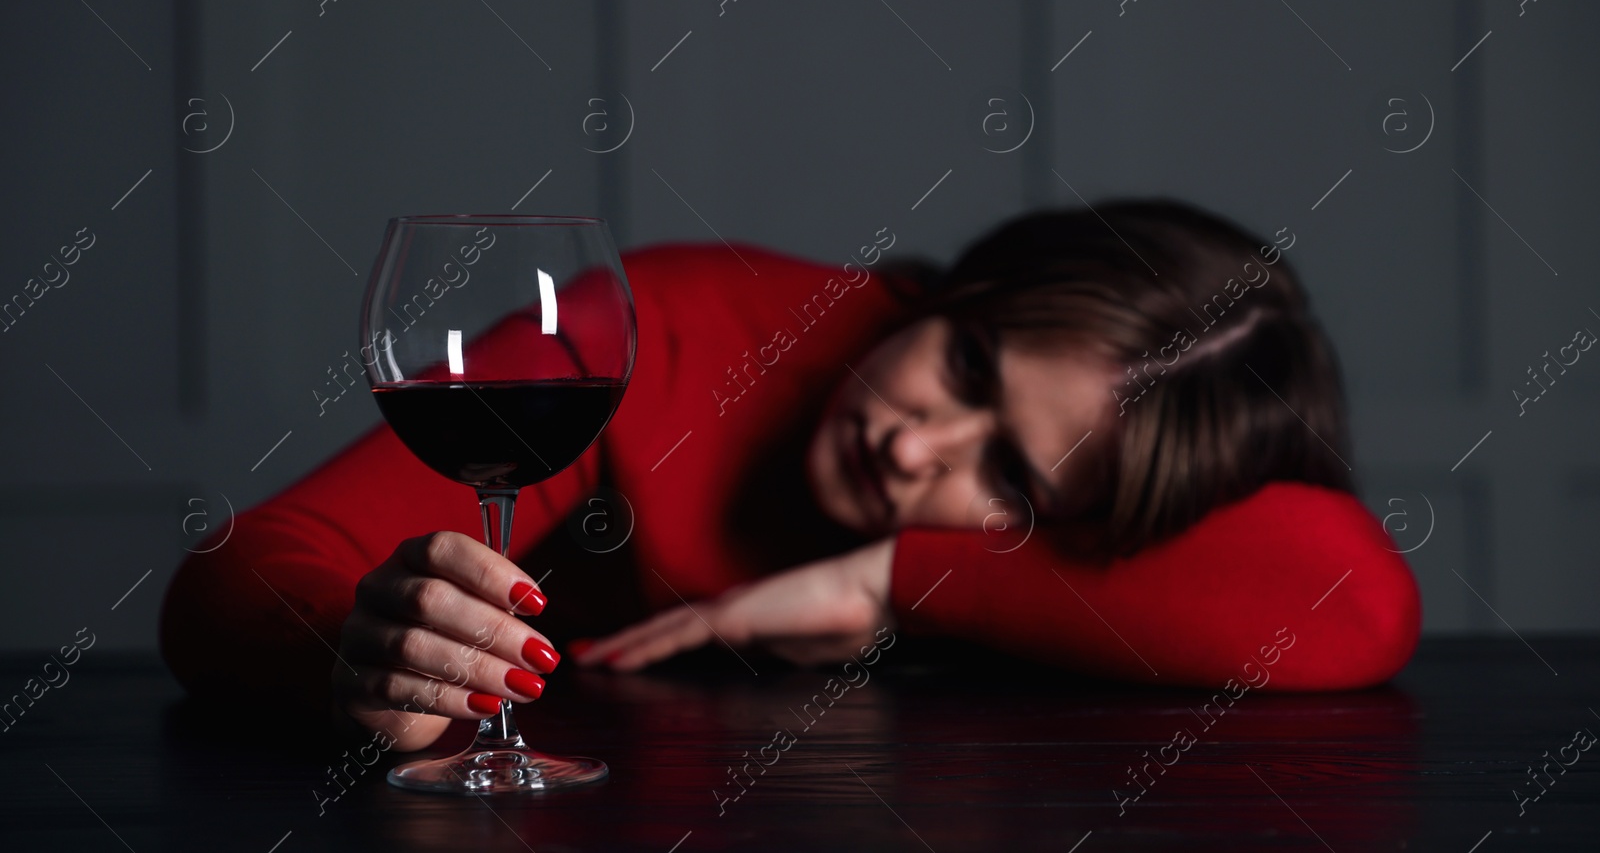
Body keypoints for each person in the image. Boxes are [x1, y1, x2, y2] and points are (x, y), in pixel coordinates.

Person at [159, 200, 1420, 752]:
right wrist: (359, 651)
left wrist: (890, 579)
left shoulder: (1029, 511)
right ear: (956, 285)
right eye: (967, 362)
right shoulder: (663, 324)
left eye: (1011, 479)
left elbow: (1356, 603)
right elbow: (230, 577)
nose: (917, 444)